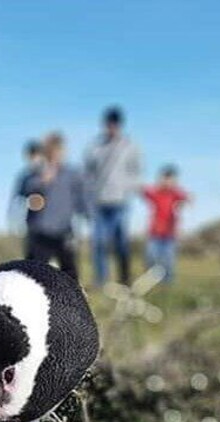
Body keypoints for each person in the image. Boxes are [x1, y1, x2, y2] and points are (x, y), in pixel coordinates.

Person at [84, 106, 142, 287]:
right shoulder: (95, 147)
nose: (111, 127)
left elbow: (136, 171)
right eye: (109, 124)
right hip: (99, 201)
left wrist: (128, 189)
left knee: (121, 243)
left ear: (120, 125)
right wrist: (89, 194)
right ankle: (101, 281)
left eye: (115, 124)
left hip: (121, 202)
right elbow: (88, 172)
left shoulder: (130, 146)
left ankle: (125, 280)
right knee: (99, 243)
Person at [20, 133, 88, 280]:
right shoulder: (36, 173)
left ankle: (73, 299)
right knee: (36, 270)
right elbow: (25, 190)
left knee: (69, 268)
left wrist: (87, 212)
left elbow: (81, 196)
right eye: (51, 151)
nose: (55, 154)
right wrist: (42, 181)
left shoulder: (72, 173)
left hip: (64, 229)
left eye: (58, 150)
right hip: (41, 230)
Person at [142, 164, 190, 283]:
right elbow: (145, 191)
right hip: (155, 232)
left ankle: (167, 282)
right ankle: (151, 280)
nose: (167, 182)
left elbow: (187, 198)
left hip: (169, 234)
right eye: (165, 178)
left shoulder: (175, 194)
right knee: (151, 257)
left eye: (170, 179)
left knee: (168, 260)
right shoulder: (156, 193)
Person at [8, 140, 43, 233]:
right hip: (32, 224)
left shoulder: (52, 175)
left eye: (36, 156)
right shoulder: (25, 178)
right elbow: (17, 201)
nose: (34, 160)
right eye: (31, 156)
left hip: (52, 224)